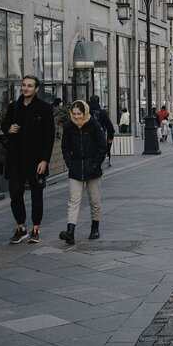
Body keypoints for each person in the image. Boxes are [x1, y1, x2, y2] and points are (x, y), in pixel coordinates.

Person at [0, 75, 55, 244]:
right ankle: (21, 227)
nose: (26, 88)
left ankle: (36, 228)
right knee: (15, 192)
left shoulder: (44, 108)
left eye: (30, 86)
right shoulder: (14, 107)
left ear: (36, 88)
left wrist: (44, 160)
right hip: (16, 158)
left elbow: (49, 136)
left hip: (36, 159)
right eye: (24, 85)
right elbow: (4, 125)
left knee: (36, 195)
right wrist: (9, 128)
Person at [57, 100, 108, 245]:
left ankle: (95, 227)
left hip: (92, 167)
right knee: (73, 200)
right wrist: (69, 162)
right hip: (76, 167)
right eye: (74, 114)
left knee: (95, 200)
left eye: (79, 114)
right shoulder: (69, 126)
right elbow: (65, 147)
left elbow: (102, 147)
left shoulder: (94, 125)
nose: (77, 117)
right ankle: (70, 232)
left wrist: (96, 163)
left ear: (85, 112)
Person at [88, 95, 114, 164]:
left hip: (88, 135)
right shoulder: (102, 112)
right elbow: (110, 126)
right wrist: (110, 137)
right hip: (100, 134)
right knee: (101, 148)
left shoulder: (87, 112)